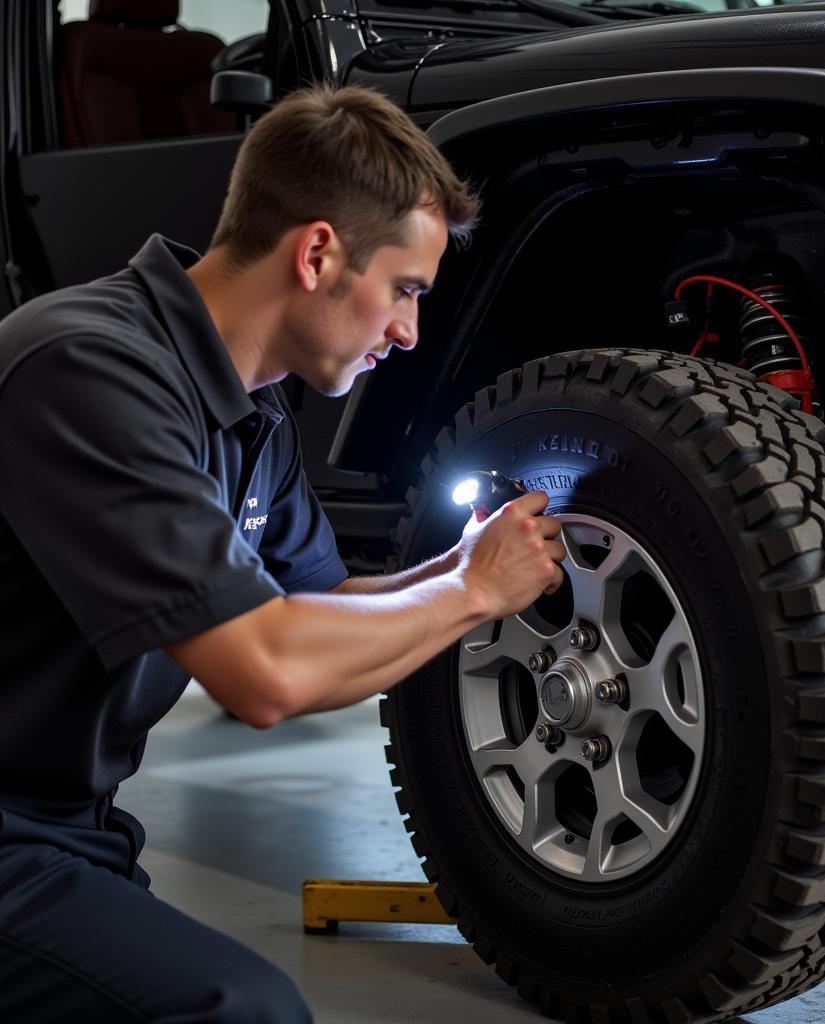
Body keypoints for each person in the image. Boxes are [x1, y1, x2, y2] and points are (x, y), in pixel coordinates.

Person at [0, 84, 566, 1023]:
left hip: (69, 829)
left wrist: (459, 570)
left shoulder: (251, 411)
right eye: (405, 290)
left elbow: (330, 606)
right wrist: (469, 592)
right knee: (246, 1010)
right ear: (316, 253)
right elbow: (263, 673)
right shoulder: (87, 370)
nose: (408, 332)